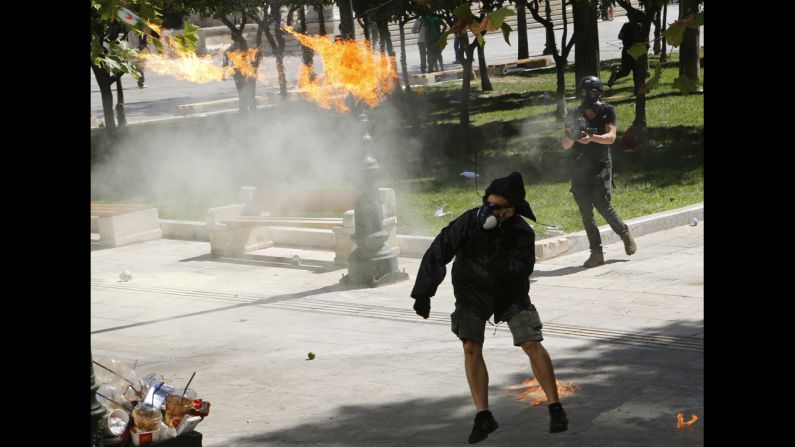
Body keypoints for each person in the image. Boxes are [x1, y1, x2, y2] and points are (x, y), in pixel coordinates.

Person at [411, 171, 569, 443]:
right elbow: (440, 249)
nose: (489, 210)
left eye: (496, 207)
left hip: (509, 292)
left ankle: (555, 406)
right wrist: (423, 292)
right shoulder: (469, 221)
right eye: (487, 203)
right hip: (471, 291)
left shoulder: (521, 233)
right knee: (470, 345)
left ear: (510, 210)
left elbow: (520, 270)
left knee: (530, 342)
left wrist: (493, 252)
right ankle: (483, 416)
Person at [562, 76, 637, 268]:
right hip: (579, 167)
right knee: (586, 213)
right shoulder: (573, 114)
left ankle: (624, 233)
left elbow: (611, 138)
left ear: (600, 93)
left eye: (593, 92)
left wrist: (592, 137)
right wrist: (574, 136)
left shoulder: (607, 111)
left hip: (601, 165)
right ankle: (596, 253)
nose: (589, 96)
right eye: (585, 92)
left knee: (602, 204)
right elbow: (565, 145)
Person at [607, 18, 643, 89]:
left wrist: (627, 39)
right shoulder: (639, 25)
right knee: (636, 71)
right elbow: (641, 38)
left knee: (625, 71)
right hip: (635, 51)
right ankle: (637, 89)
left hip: (625, 51)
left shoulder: (626, 25)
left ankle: (616, 75)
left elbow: (619, 36)